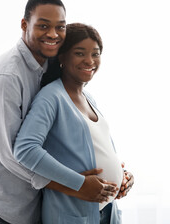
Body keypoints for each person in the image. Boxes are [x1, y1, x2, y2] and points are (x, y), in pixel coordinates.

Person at [0, 0, 119, 224]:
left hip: (36, 203)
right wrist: (76, 185)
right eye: (43, 26)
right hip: (4, 206)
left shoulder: (49, 69)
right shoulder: (6, 76)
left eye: (60, 27)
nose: (53, 34)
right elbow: (12, 155)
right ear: (24, 25)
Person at [13, 23, 131, 224]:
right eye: (80, 53)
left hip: (105, 212)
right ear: (62, 57)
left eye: (96, 53)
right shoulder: (51, 97)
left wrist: (123, 176)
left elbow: (98, 150)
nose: (90, 60)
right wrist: (80, 183)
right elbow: (25, 149)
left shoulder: (89, 98)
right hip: (72, 214)